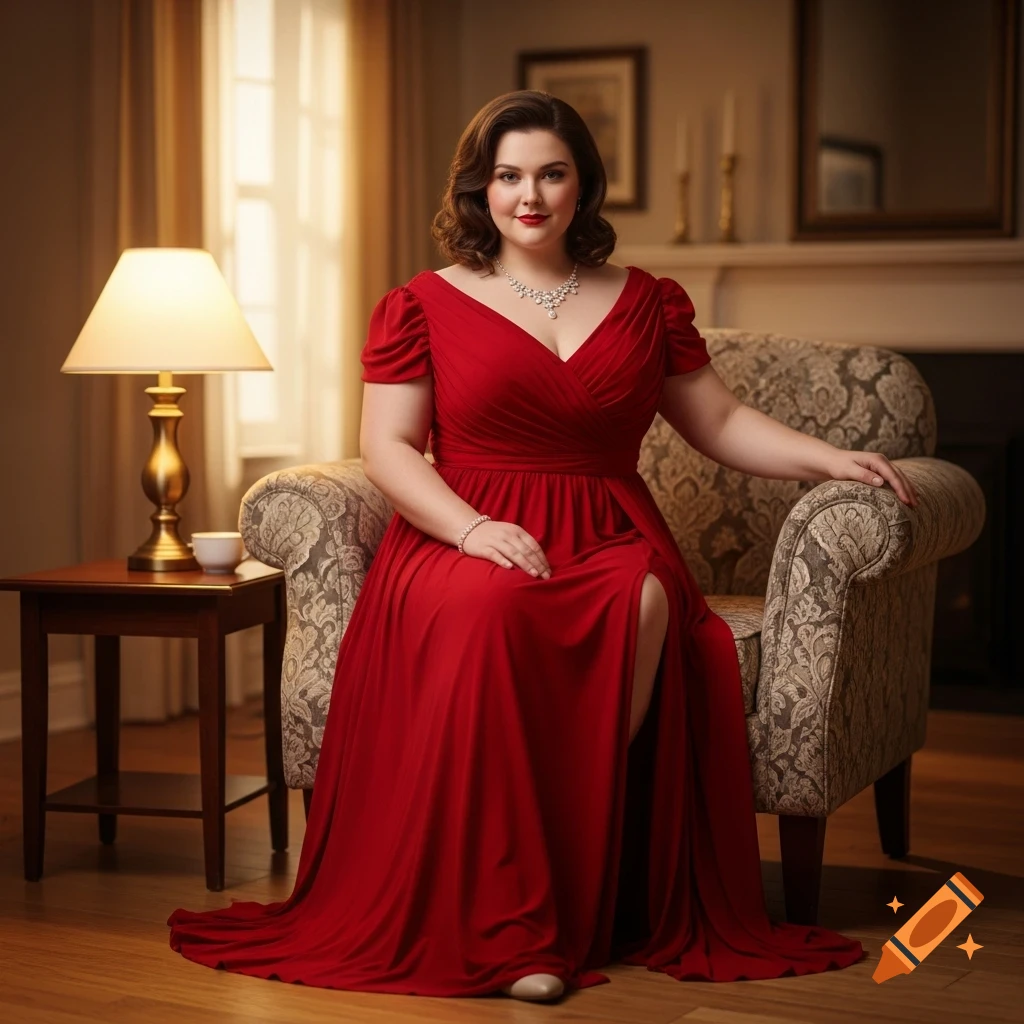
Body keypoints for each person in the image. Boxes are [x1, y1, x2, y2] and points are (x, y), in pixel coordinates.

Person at [169, 90, 919, 1002]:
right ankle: (512, 929)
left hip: (609, 530)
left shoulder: (648, 302)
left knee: (641, 599)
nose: (530, 196)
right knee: (491, 609)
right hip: (464, 528)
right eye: (509, 176)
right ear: (481, 189)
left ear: (582, 186)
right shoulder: (421, 304)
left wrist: (827, 459)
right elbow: (389, 449)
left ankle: (575, 903)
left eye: (552, 174)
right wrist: (474, 530)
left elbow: (717, 420)